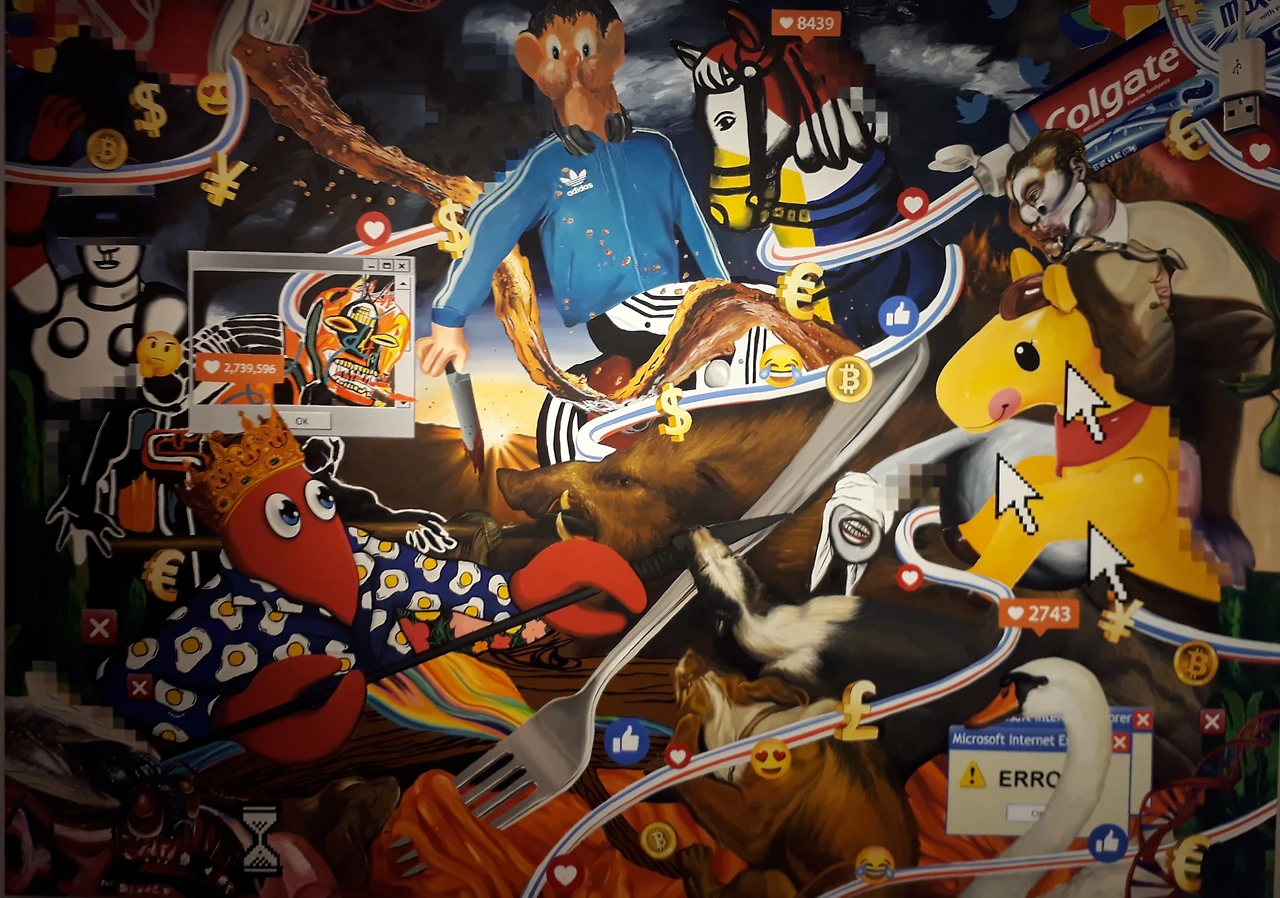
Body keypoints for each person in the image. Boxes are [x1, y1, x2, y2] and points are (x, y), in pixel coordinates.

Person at [415, 0, 731, 462]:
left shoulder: (656, 151)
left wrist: (730, 299)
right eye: (556, 53)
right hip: (617, 317)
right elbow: (490, 225)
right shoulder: (548, 166)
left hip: (677, 305)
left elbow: (698, 233)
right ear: (533, 62)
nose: (574, 63)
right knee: (663, 373)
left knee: (732, 359)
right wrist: (448, 320)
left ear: (614, 46)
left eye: (585, 47)